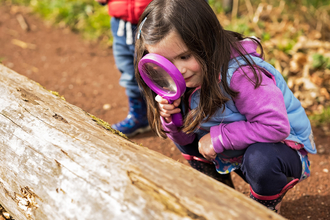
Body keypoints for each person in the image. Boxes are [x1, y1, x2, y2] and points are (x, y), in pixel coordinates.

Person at [134, 0, 317, 213]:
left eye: (185, 56)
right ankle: (220, 196)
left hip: (281, 149)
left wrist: (218, 138)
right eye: (166, 63)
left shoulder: (242, 74)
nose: (179, 71)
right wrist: (171, 120)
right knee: (187, 134)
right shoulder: (183, 80)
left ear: (207, 40)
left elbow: (275, 127)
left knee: (260, 161)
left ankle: (265, 206)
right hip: (234, 150)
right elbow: (186, 139)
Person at [95, 0, 152, 137]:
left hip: (155, 19)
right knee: (128, 69)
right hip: (120, 22)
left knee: (162, 69)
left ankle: (177, 120)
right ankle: (139, 116)